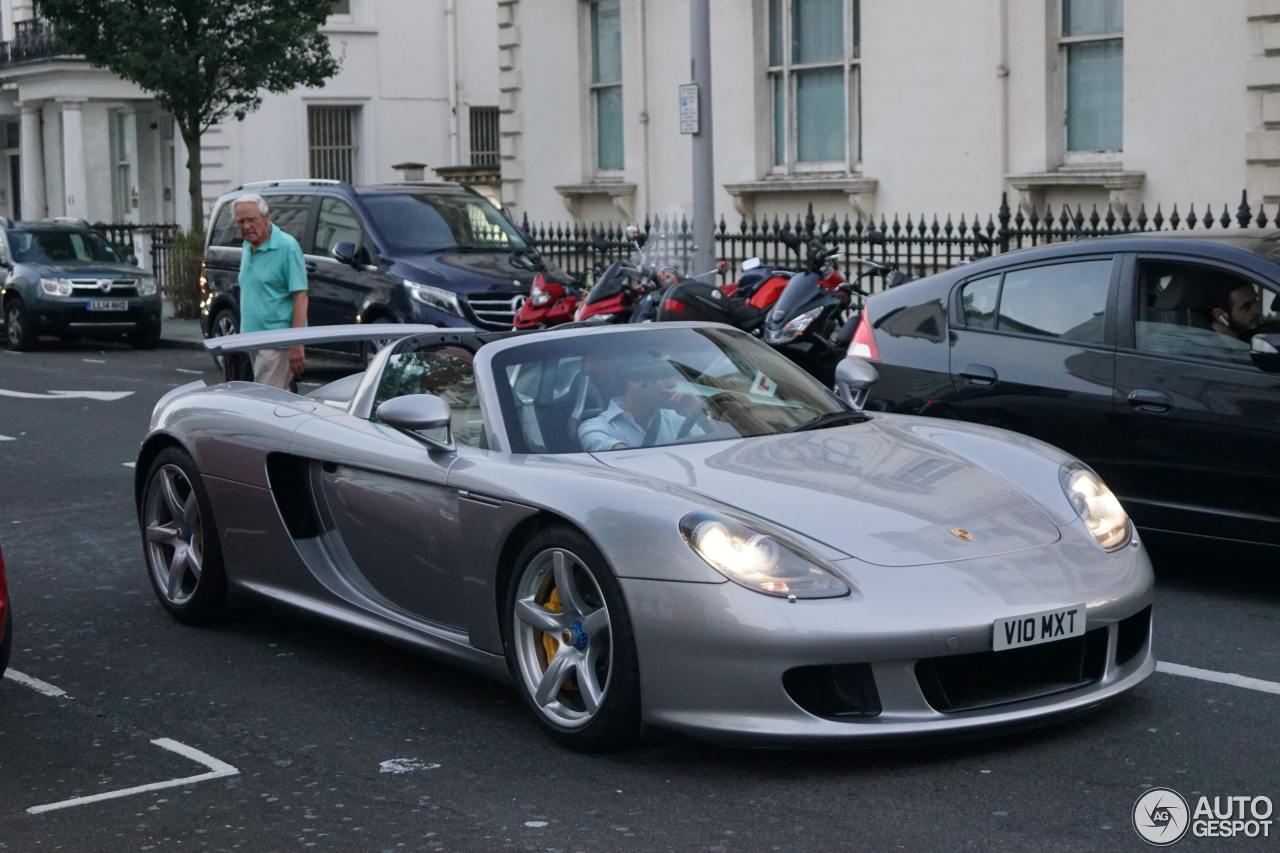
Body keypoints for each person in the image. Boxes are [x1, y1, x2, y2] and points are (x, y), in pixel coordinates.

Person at [234, 193, 309, 389]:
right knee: (277, 403)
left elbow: (300, 296)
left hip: (277, 342)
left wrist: (297, 344)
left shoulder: (287, 247)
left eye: (251, 220)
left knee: (264, 403)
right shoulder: (247, 246)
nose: (246, 226)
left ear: (266, 217)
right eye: (240, 221)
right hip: (252, 339)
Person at [577, 355, 700, 451]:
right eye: (665, 378)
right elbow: (620, 460)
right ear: (635, 383)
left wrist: (699, 414)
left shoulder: (678, 418)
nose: (673, 384)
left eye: (675, 378)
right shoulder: (596, 427)